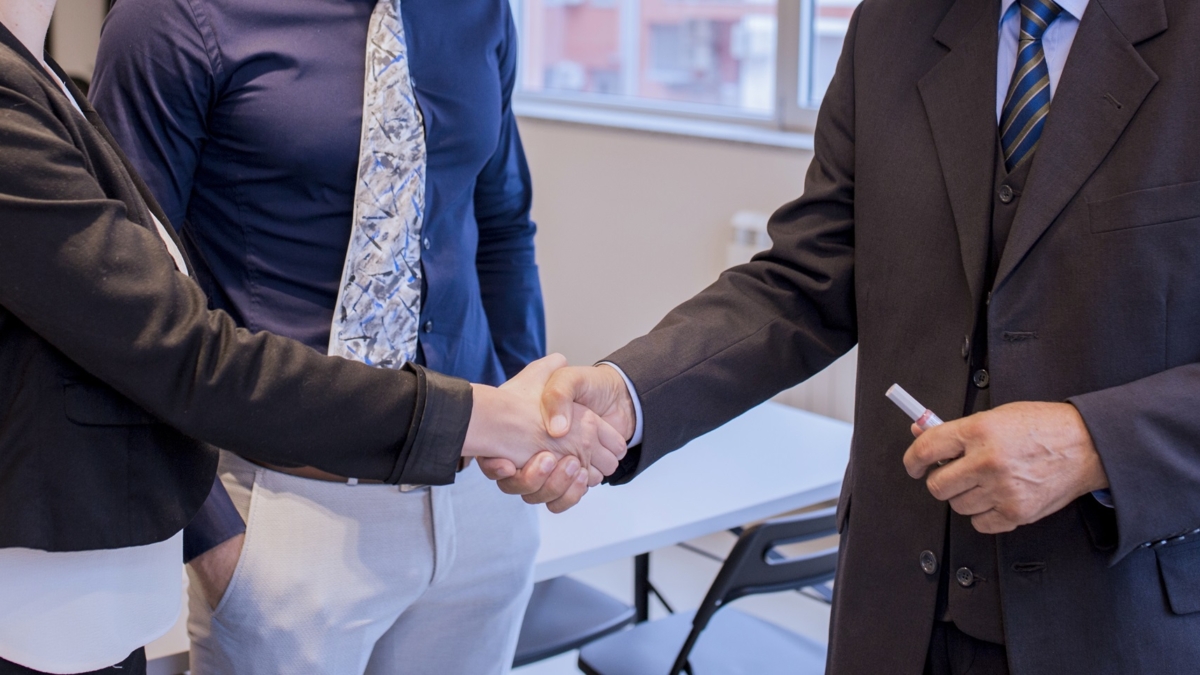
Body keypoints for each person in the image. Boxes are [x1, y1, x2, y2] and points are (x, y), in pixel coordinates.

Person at [485, 0, 1200, 672]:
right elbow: (805, 281)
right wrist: (632, 392)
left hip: (1123, 619)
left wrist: (1092, 444)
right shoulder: (894, 25)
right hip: (892, 619)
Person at [0, 2, 624, 673]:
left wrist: (532, 416)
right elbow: (135, 322)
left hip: (475, 498)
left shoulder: (478, 12)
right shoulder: (169, 16)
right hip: (285, 508)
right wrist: (215, 538)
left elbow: (500, 221)